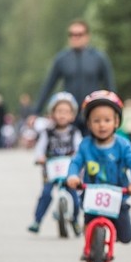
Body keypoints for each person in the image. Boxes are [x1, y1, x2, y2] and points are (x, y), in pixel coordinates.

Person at [66, 90, 131, 252]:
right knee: (89, 217)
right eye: (96, 120)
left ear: (116, 122)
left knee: (126, 236)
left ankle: (113, 230)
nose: (102, 125)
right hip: (91, 192)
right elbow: (76, 162)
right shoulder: (85, 145)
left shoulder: (122, 144)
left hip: (118, 193)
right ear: (88, 123)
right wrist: (72, 176)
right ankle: (90, 244)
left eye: (107, 120)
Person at [32, 20, 117, 135]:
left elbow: (110, 87)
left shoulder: (99, 58)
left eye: (79, 34)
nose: (75, 38)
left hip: (92, 113)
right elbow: (48, 86)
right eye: (72, 34)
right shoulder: (61, 59)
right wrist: (35, 112)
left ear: (87, 36)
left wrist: (114, 110)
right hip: (69, 116)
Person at [28, 92, 83, 235]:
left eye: (66, 112)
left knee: (75, 197)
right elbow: (40, 148)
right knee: (46, 194)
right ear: (52, 113)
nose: (62, 115)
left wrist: (79, 158)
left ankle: (75, 220)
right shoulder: (48, 132)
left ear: (72, 115)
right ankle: (37, 221)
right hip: (51, 170)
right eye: (59, 111)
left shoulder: (74, 132)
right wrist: (40, 157)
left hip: (69, 171)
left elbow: (80, 148)